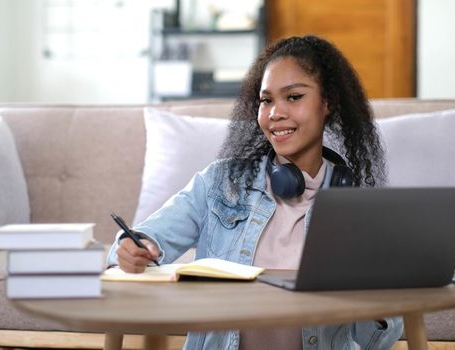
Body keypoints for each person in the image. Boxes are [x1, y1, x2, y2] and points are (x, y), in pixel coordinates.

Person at [107, 35, 403, 349]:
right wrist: (132, 248)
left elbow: (380, 337)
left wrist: (378, 301)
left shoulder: (355, 204)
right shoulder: (220, 183)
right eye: (266, 100)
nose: (275, 113)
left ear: (327, 102)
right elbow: (138, 242)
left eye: (293, 97)